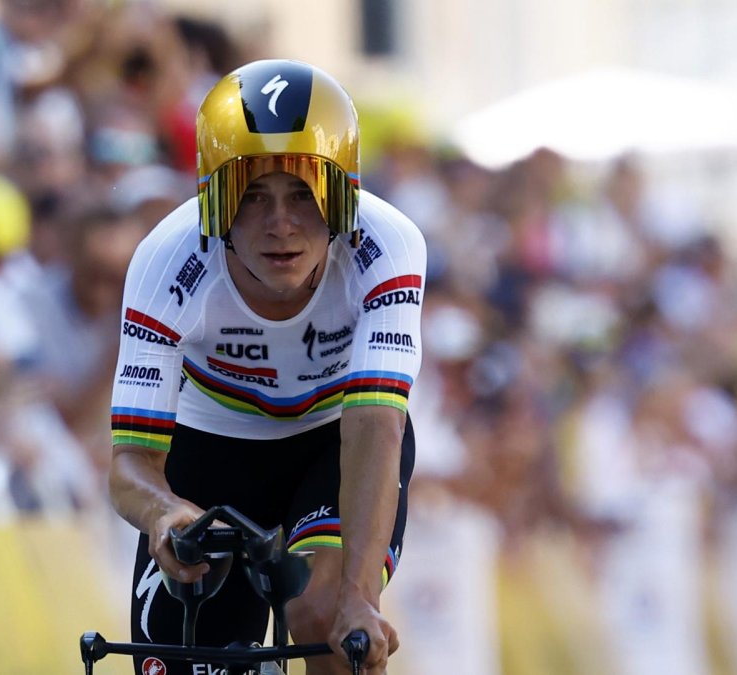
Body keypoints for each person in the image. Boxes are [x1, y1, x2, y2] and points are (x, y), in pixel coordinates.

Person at [108, 59, 425, 675]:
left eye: (304, 194)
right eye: (252, 195)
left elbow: (374, 424)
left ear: (342, 199)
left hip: (333, 440)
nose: (281, 225)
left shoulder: (389, 245)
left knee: (325, 616)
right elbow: (129, 465)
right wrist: (163, 512)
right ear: (214, 203)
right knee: (193, 657)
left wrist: (359, 600)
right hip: (210, 446)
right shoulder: (165, 262)